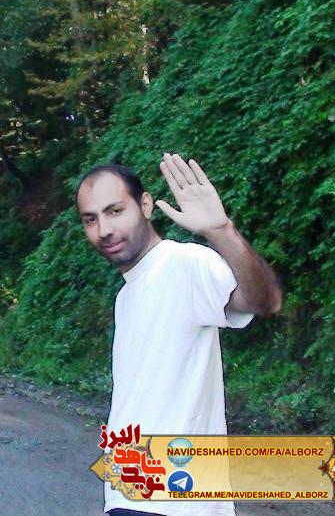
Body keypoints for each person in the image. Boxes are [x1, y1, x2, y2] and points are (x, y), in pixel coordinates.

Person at [75, 152, 283, 516]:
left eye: (115, 211)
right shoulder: (126, 295)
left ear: (145, 205)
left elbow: (264, 301)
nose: (104, 229)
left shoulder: (184, 263)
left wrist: (221, 231)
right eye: (91, 219)